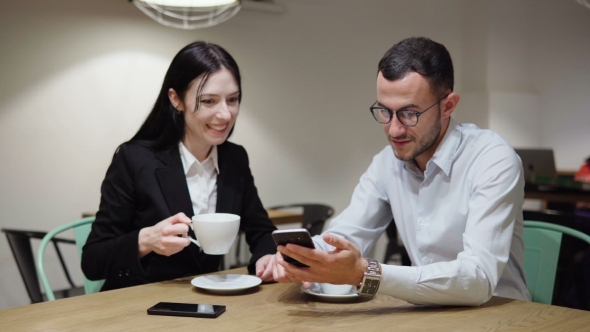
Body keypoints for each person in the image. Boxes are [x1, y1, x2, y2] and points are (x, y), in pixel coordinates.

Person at [272, 37, 531, 306]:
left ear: (448, 106)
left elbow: (477, 279)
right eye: (385, 111)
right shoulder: (387, 163)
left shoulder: (492, 159)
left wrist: (366, 273)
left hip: (500, 315)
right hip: (427, 314)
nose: (394, 130)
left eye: (409, 113)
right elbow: (346, 236)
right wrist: (302, 256)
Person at [81, 41, 278, 291]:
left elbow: (261, 230)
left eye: (233, 99)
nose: (225, 114)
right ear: (176, 99)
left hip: (207, 303)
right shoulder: (134, 159)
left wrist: (266, 258)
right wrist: (146, 240)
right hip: (137, 305)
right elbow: (92, 261)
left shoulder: (235, 158)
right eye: (208, 101)